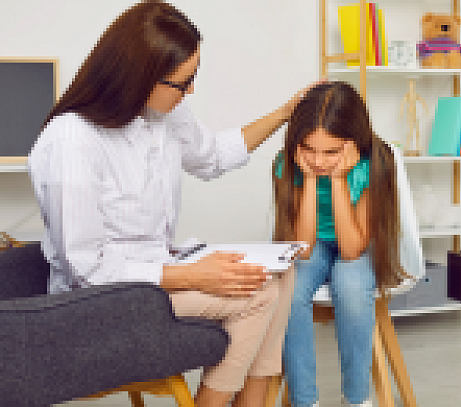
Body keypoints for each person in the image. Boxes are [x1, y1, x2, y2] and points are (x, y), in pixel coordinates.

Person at [27, 1, 320, 406]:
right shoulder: (73, 140)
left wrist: (286, 113)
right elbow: (89, 269)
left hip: (155, 273)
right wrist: (194, 276)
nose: (190, 91)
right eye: (182, 82)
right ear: (139, 76)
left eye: (193, 78)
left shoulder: (160, 115)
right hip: (94, 298)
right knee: (259, 293)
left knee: (281, 274)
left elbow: (215, 155)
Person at [271, 81, 416, 407]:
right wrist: (309, 179)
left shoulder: (373, 164)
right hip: (313, 243)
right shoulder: (290, 164)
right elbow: (303, 249)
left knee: (351, 284)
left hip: (358, 241)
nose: (319, 161)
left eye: (332, 152)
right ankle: (304, 401)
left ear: (354, 144)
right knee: (290, 289)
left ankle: (356, 397)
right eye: (309, 149)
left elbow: (352, 249)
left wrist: (337, 180)